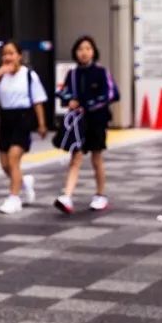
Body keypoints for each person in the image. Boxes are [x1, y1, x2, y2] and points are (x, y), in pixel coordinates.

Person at [54, 35, 120, 214]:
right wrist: (71, 100)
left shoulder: (101, 72)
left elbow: (113, 94)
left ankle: (100, 195)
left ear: (94, 51)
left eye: (88, 49)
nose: (84, 52)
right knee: (75, 157)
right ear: (75, 53)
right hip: (78, 121)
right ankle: (66, 196)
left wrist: (86, 104)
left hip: (97, 121)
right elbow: (62, 92)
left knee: (96, 158)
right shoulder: (73, 74)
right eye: (80, 49)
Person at [0, 40, 48, 213]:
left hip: (23, 118)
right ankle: (23, 181)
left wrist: (41, 124)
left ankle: (14, 198)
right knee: (5, 164)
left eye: (11, 53)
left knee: (13, 158)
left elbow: (38, 101)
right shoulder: (2, 76)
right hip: (6, 119)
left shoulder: (29, 75)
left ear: (19, 56)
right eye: (4, 54)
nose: (7, 57)